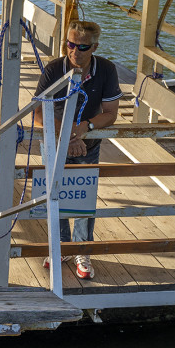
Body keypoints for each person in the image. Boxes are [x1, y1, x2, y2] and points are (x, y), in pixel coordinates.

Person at [32, 19, 121, 280]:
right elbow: (37, 112)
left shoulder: (106, 69)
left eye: (82, 46)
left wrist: (84, 128)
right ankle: (60, 245)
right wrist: (71, 133)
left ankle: (82, 249)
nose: (74, 51)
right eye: (70, 44)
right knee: (55, 191)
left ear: (94, 47)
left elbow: (111, 113)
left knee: (84, 195)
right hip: (57, 140)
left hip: (87, 142)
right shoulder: (53, 69)